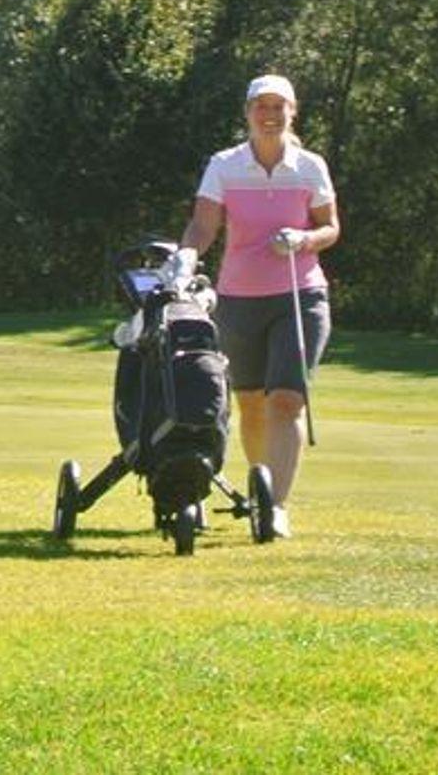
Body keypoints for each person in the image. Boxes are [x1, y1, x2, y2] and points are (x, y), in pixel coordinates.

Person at [176, 73, 339, 539]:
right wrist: (187, 257)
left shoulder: (309, 166)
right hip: (238, 298)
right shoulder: (224, 165)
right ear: (248, 113)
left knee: (285, 400)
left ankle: (275, 507)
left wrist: (304, 238)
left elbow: (330, 227)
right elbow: (203, 226)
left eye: (278, 106)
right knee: (250, 403)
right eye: (261, 106)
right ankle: (259, 490)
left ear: (292, 112)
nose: (269, 115)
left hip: (299, 294)